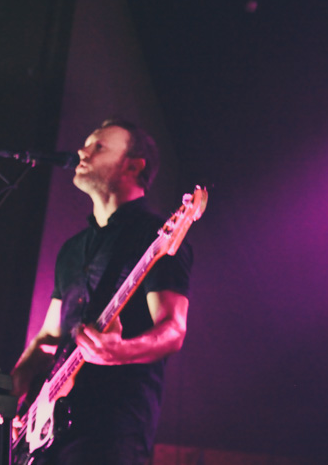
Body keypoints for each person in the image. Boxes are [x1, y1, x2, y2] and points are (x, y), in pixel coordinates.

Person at [11, 119, 193, 465]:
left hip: (112, 428)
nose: (82, 151)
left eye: (98, 147)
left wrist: (120, 351)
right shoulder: (71, 249)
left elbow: (173, 329)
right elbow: (49, 335)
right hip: (49, 429)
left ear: (133, 165)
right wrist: (13, 395)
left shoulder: (157, 235)